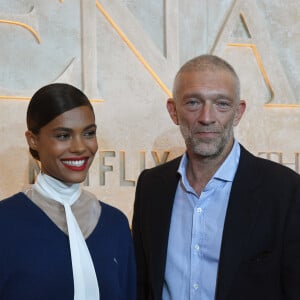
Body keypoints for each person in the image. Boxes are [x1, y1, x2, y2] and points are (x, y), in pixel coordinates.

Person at [132, 54, 300, 300]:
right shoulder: (151, 187)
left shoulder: (285, 190)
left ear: (238, 112)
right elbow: (142, 284)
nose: (207, 117)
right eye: (192, 103)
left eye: (221, 104)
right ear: (173, 111)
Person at [0, 83, 136, 300]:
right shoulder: (5, 222)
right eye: (63, 136)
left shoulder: (115, 224)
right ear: (33, 140)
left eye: (89, 133)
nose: (80, 147)